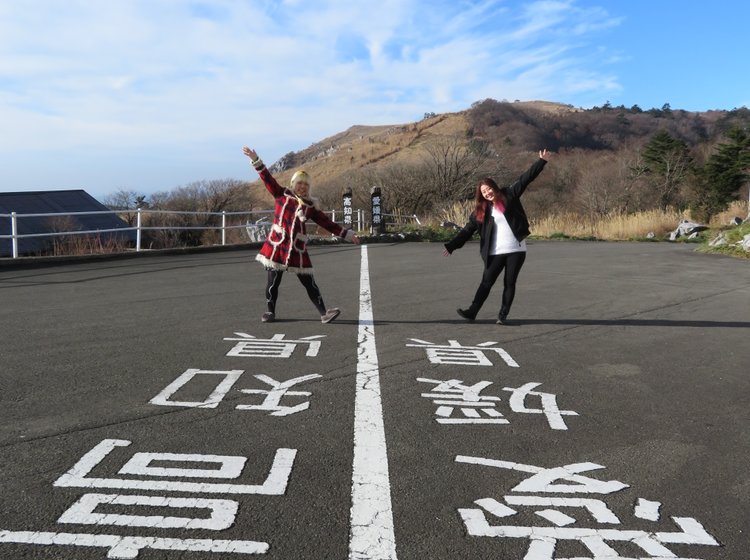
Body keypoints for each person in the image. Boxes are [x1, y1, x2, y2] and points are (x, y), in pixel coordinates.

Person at [243, 146, 360, 323]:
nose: (302, 187)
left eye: (306, 184)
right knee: (273, 282)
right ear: (293, 183)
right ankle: (270, 312)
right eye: (300, 183)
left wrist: (348, 235)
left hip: (297, 249)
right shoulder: (281, 194)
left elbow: (327, 223)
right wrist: (256, 160)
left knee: (309, 283)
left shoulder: (311, 206)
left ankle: (323, 313)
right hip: (278, 245)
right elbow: (267, 178)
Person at [443, 149, 551, 324]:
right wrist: (451, 245)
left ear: (494, 187)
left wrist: (541, 162)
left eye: (489, 189)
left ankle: (502, 315)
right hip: (495, 252)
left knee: (509, 282)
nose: (487, 193)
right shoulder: (480, 211)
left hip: (515, 250)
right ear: (481, 195)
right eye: (484, 192)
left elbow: (526, 179)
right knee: (486, 282)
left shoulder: (509, 195)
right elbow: (467, 230)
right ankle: (472, 311)